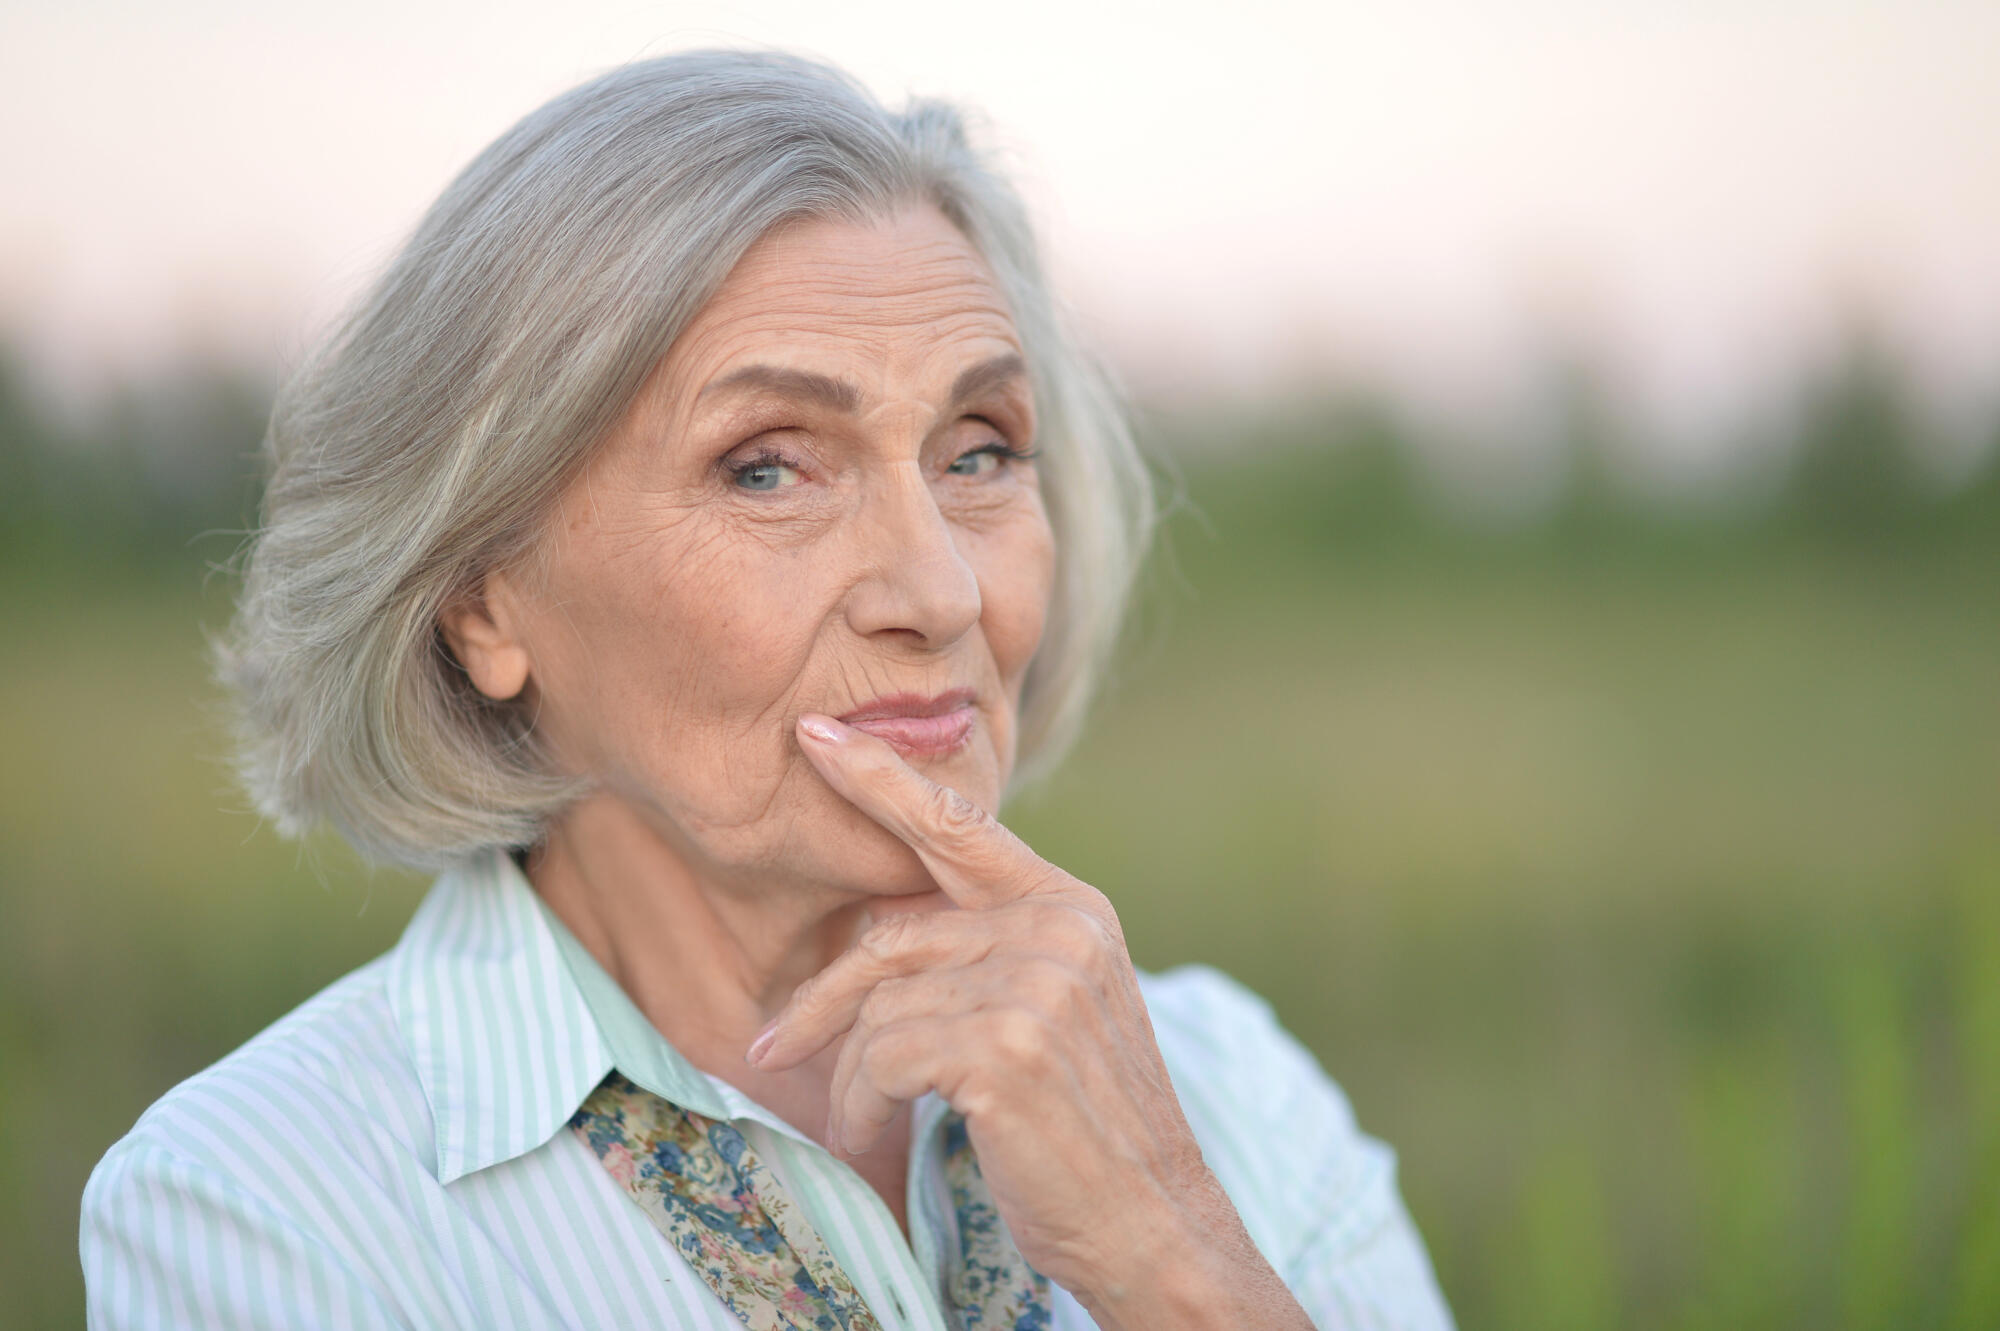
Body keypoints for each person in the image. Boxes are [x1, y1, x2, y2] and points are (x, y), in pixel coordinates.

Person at [79, 49, 1455, 1330]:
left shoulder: (1228, 1095)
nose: (941, 592)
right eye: (767, 467)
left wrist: (1171, 1256)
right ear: (482, 600)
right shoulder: (263, 1201)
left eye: (979, 451)